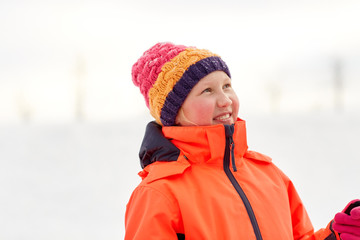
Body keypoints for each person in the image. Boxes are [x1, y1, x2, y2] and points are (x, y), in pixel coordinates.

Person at [125, 42, 360, 239]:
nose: (225, 99)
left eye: (227, 86)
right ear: (174, 112)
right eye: (207, 91)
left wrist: (336, 236)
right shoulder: (159, 193)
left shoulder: (270, 176)